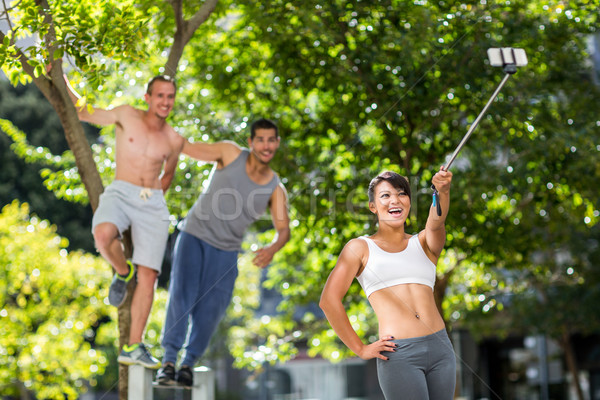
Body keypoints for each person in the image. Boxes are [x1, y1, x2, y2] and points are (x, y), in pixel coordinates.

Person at [156, 118, 291, 387]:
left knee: (211, 311)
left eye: (271, 140)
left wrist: (273, 247)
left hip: (227, 251)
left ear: (276, 144)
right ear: (251, 142)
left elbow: (283, 230)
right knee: (182, 297)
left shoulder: (275, 189)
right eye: (260, 139)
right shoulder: (229, 153)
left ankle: (187, 364)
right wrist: (163, 131)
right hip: (194, 236)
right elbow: (186, 147)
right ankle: (168, 361)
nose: (266, 145)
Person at [65, 74, 185, 369]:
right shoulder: (126, 114)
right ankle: (122, 270)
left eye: (170, 96)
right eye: (160, 96)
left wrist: (153, 199)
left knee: (150, 274)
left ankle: (134, 345)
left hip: (151, 201)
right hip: (121, 190)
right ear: (148, 98)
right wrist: (62, 74)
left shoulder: (174, 139)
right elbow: (83, 111)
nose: (165, 102)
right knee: (103, 235)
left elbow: (167, 175)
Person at [319, 169, 456, 400]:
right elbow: (328, 301)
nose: (395, 200)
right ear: (373, 206)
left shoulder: (424, 243)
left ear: (409, 202)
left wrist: (442, 191)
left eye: (402, 193)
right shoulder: (359, 248)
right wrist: (360, 349)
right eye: (385, 195)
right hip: (400, 354)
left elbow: (436, 222)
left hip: (441, 348)